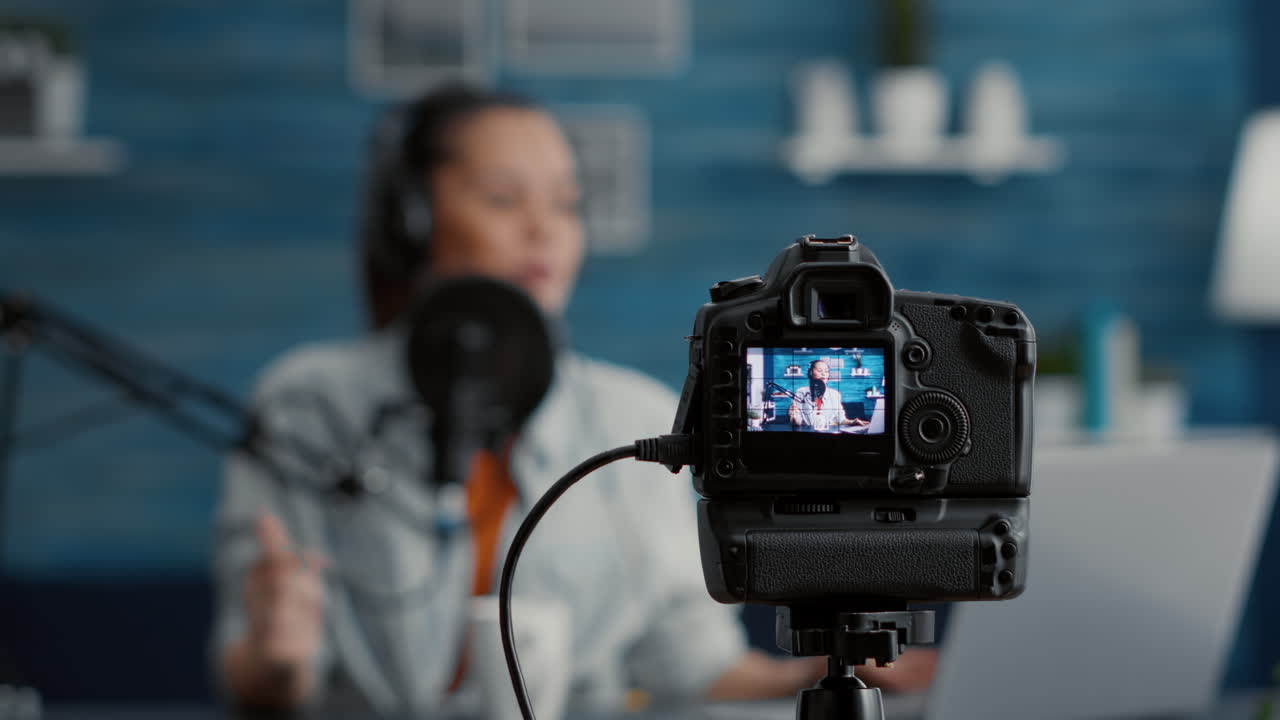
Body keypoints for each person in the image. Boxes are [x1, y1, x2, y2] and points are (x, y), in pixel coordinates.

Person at [213, 85, 934, 716]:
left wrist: (819, 672)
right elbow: (252, 677)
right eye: (503, 199)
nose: (545, 230)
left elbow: (693, 669)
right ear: (413, 220)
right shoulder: (307, 405)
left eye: (566, 204)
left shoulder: (637, 420)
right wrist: (277, 660)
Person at [787, 360, 870, 432]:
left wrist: (852, 422)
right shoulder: (801, 392)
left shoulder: (835, 394)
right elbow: (797, 422)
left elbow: (841, 420)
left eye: (826, 371)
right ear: (811, 373)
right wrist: (794, 418)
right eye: (819, 370)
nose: (823, 374)